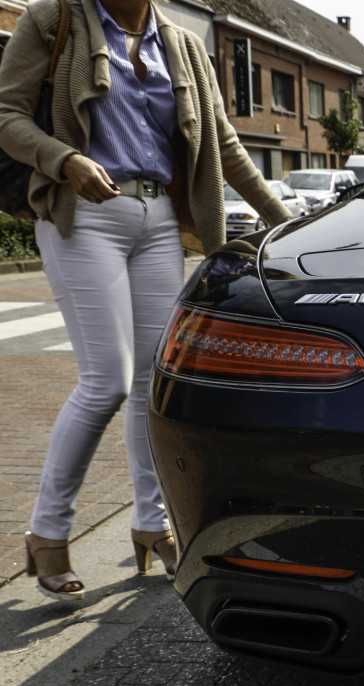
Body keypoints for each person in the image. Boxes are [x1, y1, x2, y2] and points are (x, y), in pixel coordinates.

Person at [0, 0, 290, 600]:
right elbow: (5, 115)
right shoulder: (54, 21)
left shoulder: (181, 43)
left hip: (160, 219)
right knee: (106, 380)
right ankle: (48, 536)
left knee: (152, 381)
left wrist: (287, 224)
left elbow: (225, 145)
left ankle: (151, 522)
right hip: (82, 213)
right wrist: (65, 159)